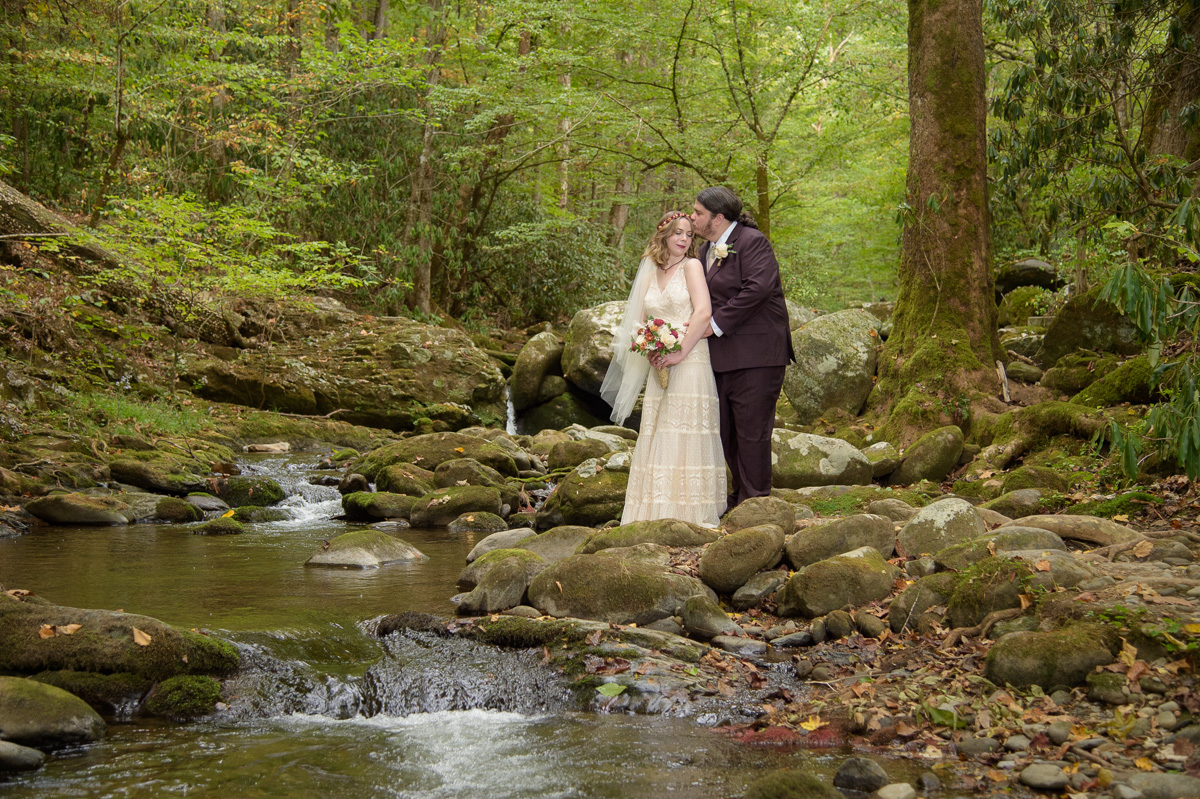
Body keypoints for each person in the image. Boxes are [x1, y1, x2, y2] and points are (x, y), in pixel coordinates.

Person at [599, 211, 726, 527]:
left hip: (691, 358)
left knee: (684, 430)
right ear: (664, 236)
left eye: (688, 234)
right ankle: (654, 512)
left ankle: (690, 514)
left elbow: (703, 312)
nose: (684, 239)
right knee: (658, 430)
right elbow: (640, 322)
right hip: (660, 364)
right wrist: (650, 348)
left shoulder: (692, 267)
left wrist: (678, 351)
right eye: (677, 233)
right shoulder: (651, 271)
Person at [691, 187, 793, 513]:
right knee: (727, 433)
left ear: (718, 218)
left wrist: (714, 324)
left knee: (752, 433)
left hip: (758, 355)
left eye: (698, 213)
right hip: (720, 358)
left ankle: (757, 502)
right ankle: (739, 498)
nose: (692, 217)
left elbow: (758, 288)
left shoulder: (752, 242)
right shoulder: (705, 249)